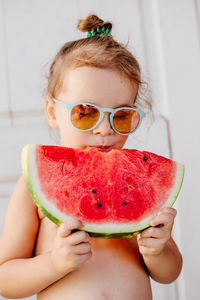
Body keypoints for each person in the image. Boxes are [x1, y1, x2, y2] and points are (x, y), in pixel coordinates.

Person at [0, 14, 182, 300]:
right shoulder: (31, 186)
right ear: (52, 112)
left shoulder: (136, 183)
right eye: (84, 113)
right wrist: (54, 263)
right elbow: (5, 279)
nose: (104, 130)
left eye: (121, 116)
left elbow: (168, 273)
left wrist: (159, 250)